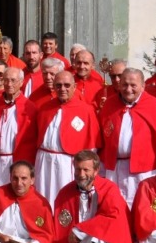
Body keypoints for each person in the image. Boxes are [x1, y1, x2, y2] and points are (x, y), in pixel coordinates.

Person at [50, 151, 132, 243]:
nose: (81, 174)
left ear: (96, 170)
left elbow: (112, 217)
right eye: (78, 169)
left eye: (86, 170)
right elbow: (60, 228)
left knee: (96, 238)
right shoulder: (65, 193)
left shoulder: (109, 189)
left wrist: (82, 230)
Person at [18, 71, 100, 203]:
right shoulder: (45, 108)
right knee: (42, 196)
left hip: (67, 162)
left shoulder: (86, 110)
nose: (62, 89)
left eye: (67, 85)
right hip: (44, 161)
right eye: (59, 85)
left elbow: (92, 143)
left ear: (74, 87)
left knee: (65, 197)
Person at [97, 67, 156, 206]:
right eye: (125, 84)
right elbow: (101, 136)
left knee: (141, 205)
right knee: (114, 205)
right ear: (119, 85)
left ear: (143, 86)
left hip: (144, 170)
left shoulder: (154, 105)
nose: (128, 89)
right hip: (114, 168)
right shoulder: (110, 104)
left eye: (133, 85)